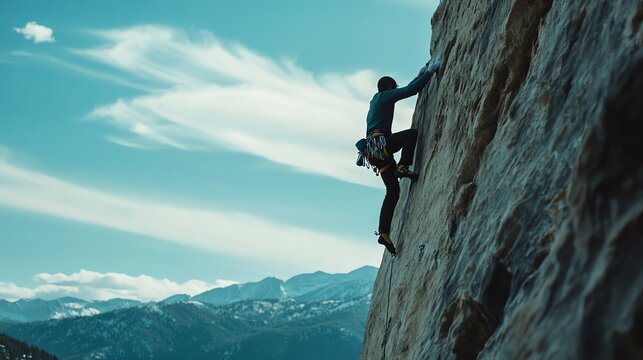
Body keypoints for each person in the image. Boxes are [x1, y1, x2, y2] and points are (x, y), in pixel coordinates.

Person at [365, 59, 441, 255]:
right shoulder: (384, 97)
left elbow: (408, 87)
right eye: (393, 88)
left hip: (375, 154)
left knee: (392, 191)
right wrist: (430, 72)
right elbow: (409, 91)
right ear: (389, 87)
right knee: (411, 134)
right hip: (381, 145)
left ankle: (384, 232)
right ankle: (404, 166)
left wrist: (420, 74)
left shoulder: (375, 100)